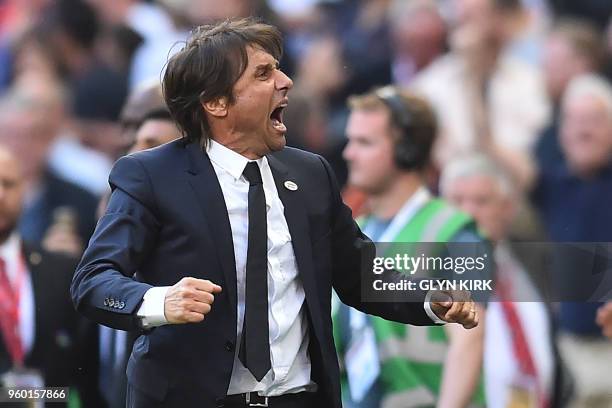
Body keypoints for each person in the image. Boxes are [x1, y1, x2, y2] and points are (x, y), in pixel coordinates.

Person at [71, 18, 479, 408]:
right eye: (263, 74)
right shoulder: (150, 175)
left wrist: (428, 300)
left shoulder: (311, 173)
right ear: (216, 102)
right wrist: (160, 302)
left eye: (279, 69)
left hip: (298, 399)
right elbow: (93, 281)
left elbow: (358, 271)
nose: (286, 82)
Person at [335, 86, 487, 408]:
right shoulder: (353, 231)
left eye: (365, 142)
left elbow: (469, 339)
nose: (349, 153)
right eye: (351, 140)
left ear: (408, 150)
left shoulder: (456, 230)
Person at [441, 154, 567, 408]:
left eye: (482, 201)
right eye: (457, 201)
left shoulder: (531, 258)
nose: (468, 213)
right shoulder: (430, 273)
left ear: (508, 208)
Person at [531, 73, 612, 407]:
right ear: (560, 133)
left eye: (594, 120)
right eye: (574, 121)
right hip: (568, 348)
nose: (583, 130)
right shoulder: (551, 184)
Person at [0, 144, 99, 407]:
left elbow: (79, 373)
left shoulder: (60, 269)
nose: (0, 194)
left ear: (24, 191)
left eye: (8, 184)